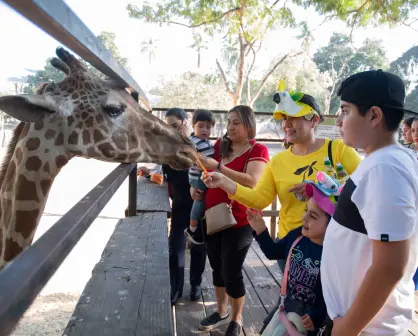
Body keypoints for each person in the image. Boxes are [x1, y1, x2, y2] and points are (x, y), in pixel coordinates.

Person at [200, 84, 360, 273]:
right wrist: (224, 182)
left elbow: (366, 189)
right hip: (291, 245)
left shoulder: (339, 150)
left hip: (333, 243)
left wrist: (318, 189)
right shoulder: (278, 161)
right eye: (285, 119)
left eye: (294, 118)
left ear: (314, 120)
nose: (287, 124)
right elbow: (259, 199)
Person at [320, 70, 418, 335]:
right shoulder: (386, 161)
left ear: (374, 115)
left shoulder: (385, 168)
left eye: (345, 110)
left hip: (365, 327)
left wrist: (346, 329)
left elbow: (390, 266)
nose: (339, 121)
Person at [192, 105, 269, 336]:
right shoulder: (219, 145)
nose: (231, 127)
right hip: (212, 215)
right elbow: (208, 173)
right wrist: (197, 189)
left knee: (231, 269)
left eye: (236, 122)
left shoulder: (258, 149)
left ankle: (237, 318)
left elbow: (252, 181)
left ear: (249, 124)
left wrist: (219, 167)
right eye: (229, 122)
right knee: (216, 266)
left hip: (240, 220)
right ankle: (222, 311)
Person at [248, 180, 336, 335]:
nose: (304, 218)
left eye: (313, 216)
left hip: (310, 324)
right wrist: (260, 230)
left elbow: (332, 297)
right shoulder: (296, 237)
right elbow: (273, 252)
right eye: (305, 210)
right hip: (286, 310)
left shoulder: (334, 255)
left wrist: (317, 316)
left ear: (332, 225)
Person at [162, 107, 206, 305]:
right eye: (169, 128)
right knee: (175, 245)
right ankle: (175, 287)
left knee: (198, 245)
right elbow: (167, 174)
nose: (173, 131)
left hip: (199, 203)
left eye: (175, 126)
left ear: (186, 122)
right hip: (180, 203)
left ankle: (195, 284)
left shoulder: (202, 145)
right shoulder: (169, 146)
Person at [184, 109, 215, 245]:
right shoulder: (193, 142)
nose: (205, 130)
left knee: (200, 201)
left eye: (208, 127)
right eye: (200, 126)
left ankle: (196, 228)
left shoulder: (205, 141)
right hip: (198, 177)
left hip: (200, 176)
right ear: (193, 125)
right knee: (199, 201)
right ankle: (192, 228)